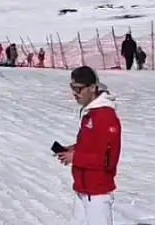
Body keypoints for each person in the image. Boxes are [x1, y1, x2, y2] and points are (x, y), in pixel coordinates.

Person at [55, 66, 121, 225]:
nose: (74, 93)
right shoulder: (90, 112)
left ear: (92, 88)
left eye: (78, 89)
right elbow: (93, 145)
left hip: (97, 192)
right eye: (72, 88)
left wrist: (75, 157)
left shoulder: (105, 116)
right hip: (83, 189)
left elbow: (106, 160)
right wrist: (73, 149)